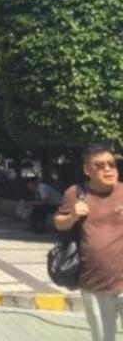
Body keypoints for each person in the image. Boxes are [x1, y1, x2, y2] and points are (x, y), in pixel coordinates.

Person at [55, 144, 123, 341]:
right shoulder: (75, 193)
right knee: (103, 338)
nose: (108, 169)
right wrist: (73, 216)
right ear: (87, 169)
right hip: (95, 284)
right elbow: (59, 223)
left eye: (111, 164)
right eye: (100, 165)